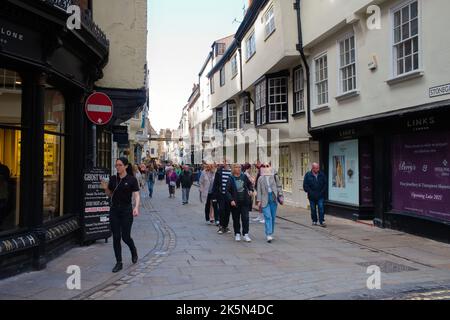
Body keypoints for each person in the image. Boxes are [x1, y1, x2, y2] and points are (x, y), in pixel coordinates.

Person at [101, 158, 140, 273]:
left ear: (126, 166)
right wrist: (105, 189)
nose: (117, 167)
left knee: (125, 237)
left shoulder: (132, 179)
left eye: (120, 165)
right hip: (114, 210)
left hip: (126, 211)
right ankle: (119, 262)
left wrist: (136, 207)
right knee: (116, 236)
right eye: (116, 165)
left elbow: (136, 195)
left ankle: (133, 250)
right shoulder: (113, 179)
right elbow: (110, 194)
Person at [226, 164, 254, 242]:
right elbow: (227, 191)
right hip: (235, 203)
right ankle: (237, 233)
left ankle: (245, 234)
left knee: (245, 218)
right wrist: (231, 200)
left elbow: (249, 185)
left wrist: (251, 190)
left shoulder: (244, 177)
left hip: (245, 201)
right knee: (236, 219)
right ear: (233, 169)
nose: (238, 169)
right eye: (236, 167)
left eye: (239, 167)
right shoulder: (231, 178)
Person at [257, 163, 283, 243]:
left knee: (272, 217)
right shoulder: (260, 178)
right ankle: (268, 234)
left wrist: (281, 195)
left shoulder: (275, 176)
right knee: (268, 216)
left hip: (273, 197)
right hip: (265, 198)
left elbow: (279, 186)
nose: (265, 167)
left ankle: (271, 232)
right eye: (264, 166)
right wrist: (259, 201)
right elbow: (259, 190)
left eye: (267, 166)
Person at [303, 163, 327, 227]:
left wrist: (322, 192)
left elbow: (325, 184)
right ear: (313, 168)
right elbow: (305, 185)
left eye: (318, 168)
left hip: (320, 195)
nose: (318, 169)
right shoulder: (308, 175)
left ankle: (322, 221)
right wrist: (310, 192)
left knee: (321, 208)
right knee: (313, 209)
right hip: (312, 196)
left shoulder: (322, 174)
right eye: (316, 168)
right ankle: (314, 221)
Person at [212, 160, 232, 234]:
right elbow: (215, 184)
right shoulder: (219, 171)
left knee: (227, 211)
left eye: (226, 161)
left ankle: (225, 226)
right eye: (223, 161)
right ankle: (221, 226)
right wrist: (214, 196)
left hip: (229, 195)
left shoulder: (231, 171)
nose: (224, 162)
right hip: (221, 194)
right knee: (221, 210)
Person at [0, 162, 10, 227]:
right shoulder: (5, 168)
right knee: (2, 210)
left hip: (2, 193)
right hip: (3, 194)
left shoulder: (4, 168)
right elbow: (7, 179)